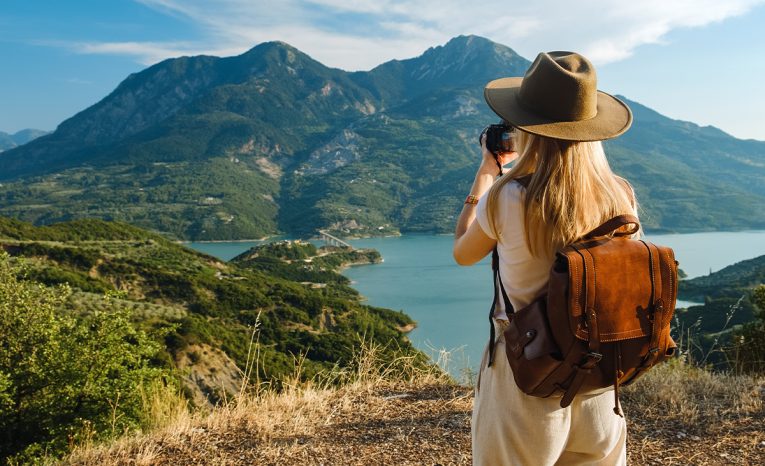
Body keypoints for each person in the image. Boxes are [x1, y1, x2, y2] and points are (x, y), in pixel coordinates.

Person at [453, 51, 636, 466]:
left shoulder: (508, 196)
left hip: (526, 376)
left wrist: (486, 173)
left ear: (526, 128)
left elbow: (463, 251)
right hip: (598, 379)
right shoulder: (619, 195)